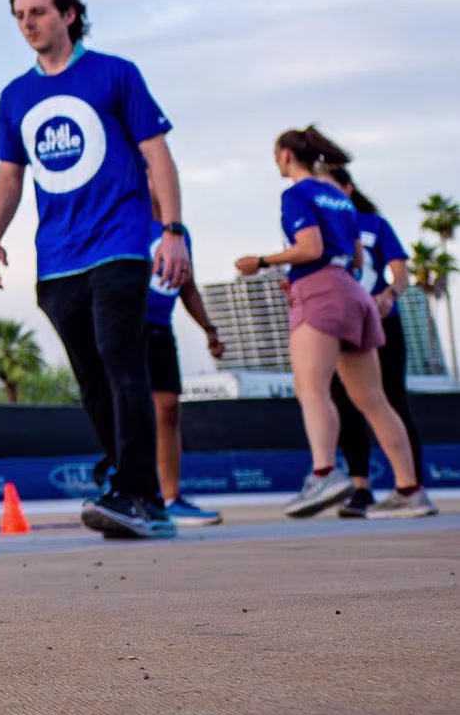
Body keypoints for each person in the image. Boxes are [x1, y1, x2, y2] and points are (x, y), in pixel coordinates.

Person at [0, 0, 188, 540]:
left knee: (122, 362)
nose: (28, 23)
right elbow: (9, 177)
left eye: (39, 12)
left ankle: (143, 498)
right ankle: (123, 477)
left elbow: (158, 155)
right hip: (56, 260)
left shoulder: (115, 73)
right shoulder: (14, 96)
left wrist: (170, 229)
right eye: (20, 14)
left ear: (69, 15)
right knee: (93, 380)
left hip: (120, 244)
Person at [237, 128, 431, 519]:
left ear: (288, 155)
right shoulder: (341, 200)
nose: (276, 162)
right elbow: (358, 259)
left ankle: (325, 472)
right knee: (375, 401)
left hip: (320, 291)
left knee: (312, 390)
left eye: (276, 155)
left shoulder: (296, 195)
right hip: (352, 291)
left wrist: (261, 262)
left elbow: (311, 248)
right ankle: (410, 490)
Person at [327, 162, 432, 517]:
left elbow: (401, 274)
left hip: (382, 323)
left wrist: (389, 295)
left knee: (393, 401)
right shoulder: (319, 229)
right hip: (342, 326)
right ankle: (361, 490)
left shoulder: (376, 225)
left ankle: (411, 486)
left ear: (348, 188)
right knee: (346, 404)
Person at [144, 258, 226, 527]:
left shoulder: (179, 234)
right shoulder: (125, 217)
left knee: (167, 409)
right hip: (122, 325)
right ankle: (132, 493)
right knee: (123, 405)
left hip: (159, 328)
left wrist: (208, 329)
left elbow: (188, 287)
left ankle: (171, 499)